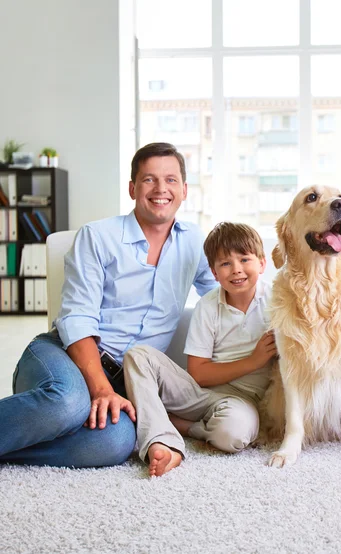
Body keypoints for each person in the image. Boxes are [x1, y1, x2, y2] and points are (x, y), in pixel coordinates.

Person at [0, 142, 216, 468]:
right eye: (149, 179)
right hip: (63, 354)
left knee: (115, 442)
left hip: (125, 380)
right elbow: (76, 318)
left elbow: (223, 296)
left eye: (171, 180)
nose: (161, 189)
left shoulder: (194, 241)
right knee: (68, 403)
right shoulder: (98, 236)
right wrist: (100, 389)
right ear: (132, 188)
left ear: (184, 190)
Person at [123, 222, 277, 477]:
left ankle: (183, 426)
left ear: (262, 263)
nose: (236, 270)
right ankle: (161, 440)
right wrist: (254, 360)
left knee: (233, 434)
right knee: (137, 355)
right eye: (225, 264)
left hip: (244, 401)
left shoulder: (275, 302)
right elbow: (198, 373)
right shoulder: (208, 306)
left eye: (244, 259)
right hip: (200, 394)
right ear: (215, 273)